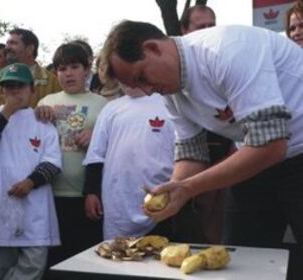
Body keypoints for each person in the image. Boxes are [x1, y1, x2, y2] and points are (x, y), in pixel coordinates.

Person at [102, 20, 303, 267]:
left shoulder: (227, 50)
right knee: (240, 260)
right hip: (255, 157)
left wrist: (188, 188)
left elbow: (271, 145)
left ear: (153, 48)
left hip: (287, 151)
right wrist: (173, 190)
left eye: (141, 77)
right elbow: (191, 152)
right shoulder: (170, 92)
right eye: (136, 86)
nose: (147, 91)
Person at [0, 63, 62, 280]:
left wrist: (31, 181)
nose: (15, 91)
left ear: (32, 90)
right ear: (1, 91)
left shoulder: (43, 122)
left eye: (20, 86)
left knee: (34, 266)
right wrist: (7, 111)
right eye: (9, 86)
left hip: (36, 207)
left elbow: (53, 162)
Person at [36, 42, 107, 265]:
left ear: (87, 70)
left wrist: (97, 136)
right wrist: (37, 116)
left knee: (85, 260)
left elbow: (115, 146)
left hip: (87, 195)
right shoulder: (46, 102)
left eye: (74, 67)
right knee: (54, 261)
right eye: (62, 68)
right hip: (49, 194)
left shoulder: (104, 105)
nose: (68, 73)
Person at [83, 86, 176, 240]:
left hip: (162, 195)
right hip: (118, 201)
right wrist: (92, 191)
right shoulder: (110, 109)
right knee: (117, 256)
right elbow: (96, 155)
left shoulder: (170, 105)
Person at [179, 4, 232, 244]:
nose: (209, 32)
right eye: (202, 27)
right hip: (192, 154)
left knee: (222, 214)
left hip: (232, 151)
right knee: (198, 213)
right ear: (185, 31)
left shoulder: (227, 61)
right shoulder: (176, 72)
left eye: (212, 26)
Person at [0, 28, 61, 114]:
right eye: (7, 43)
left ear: (30, 49)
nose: (7, 47)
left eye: (13, 43)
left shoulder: (52, 82)